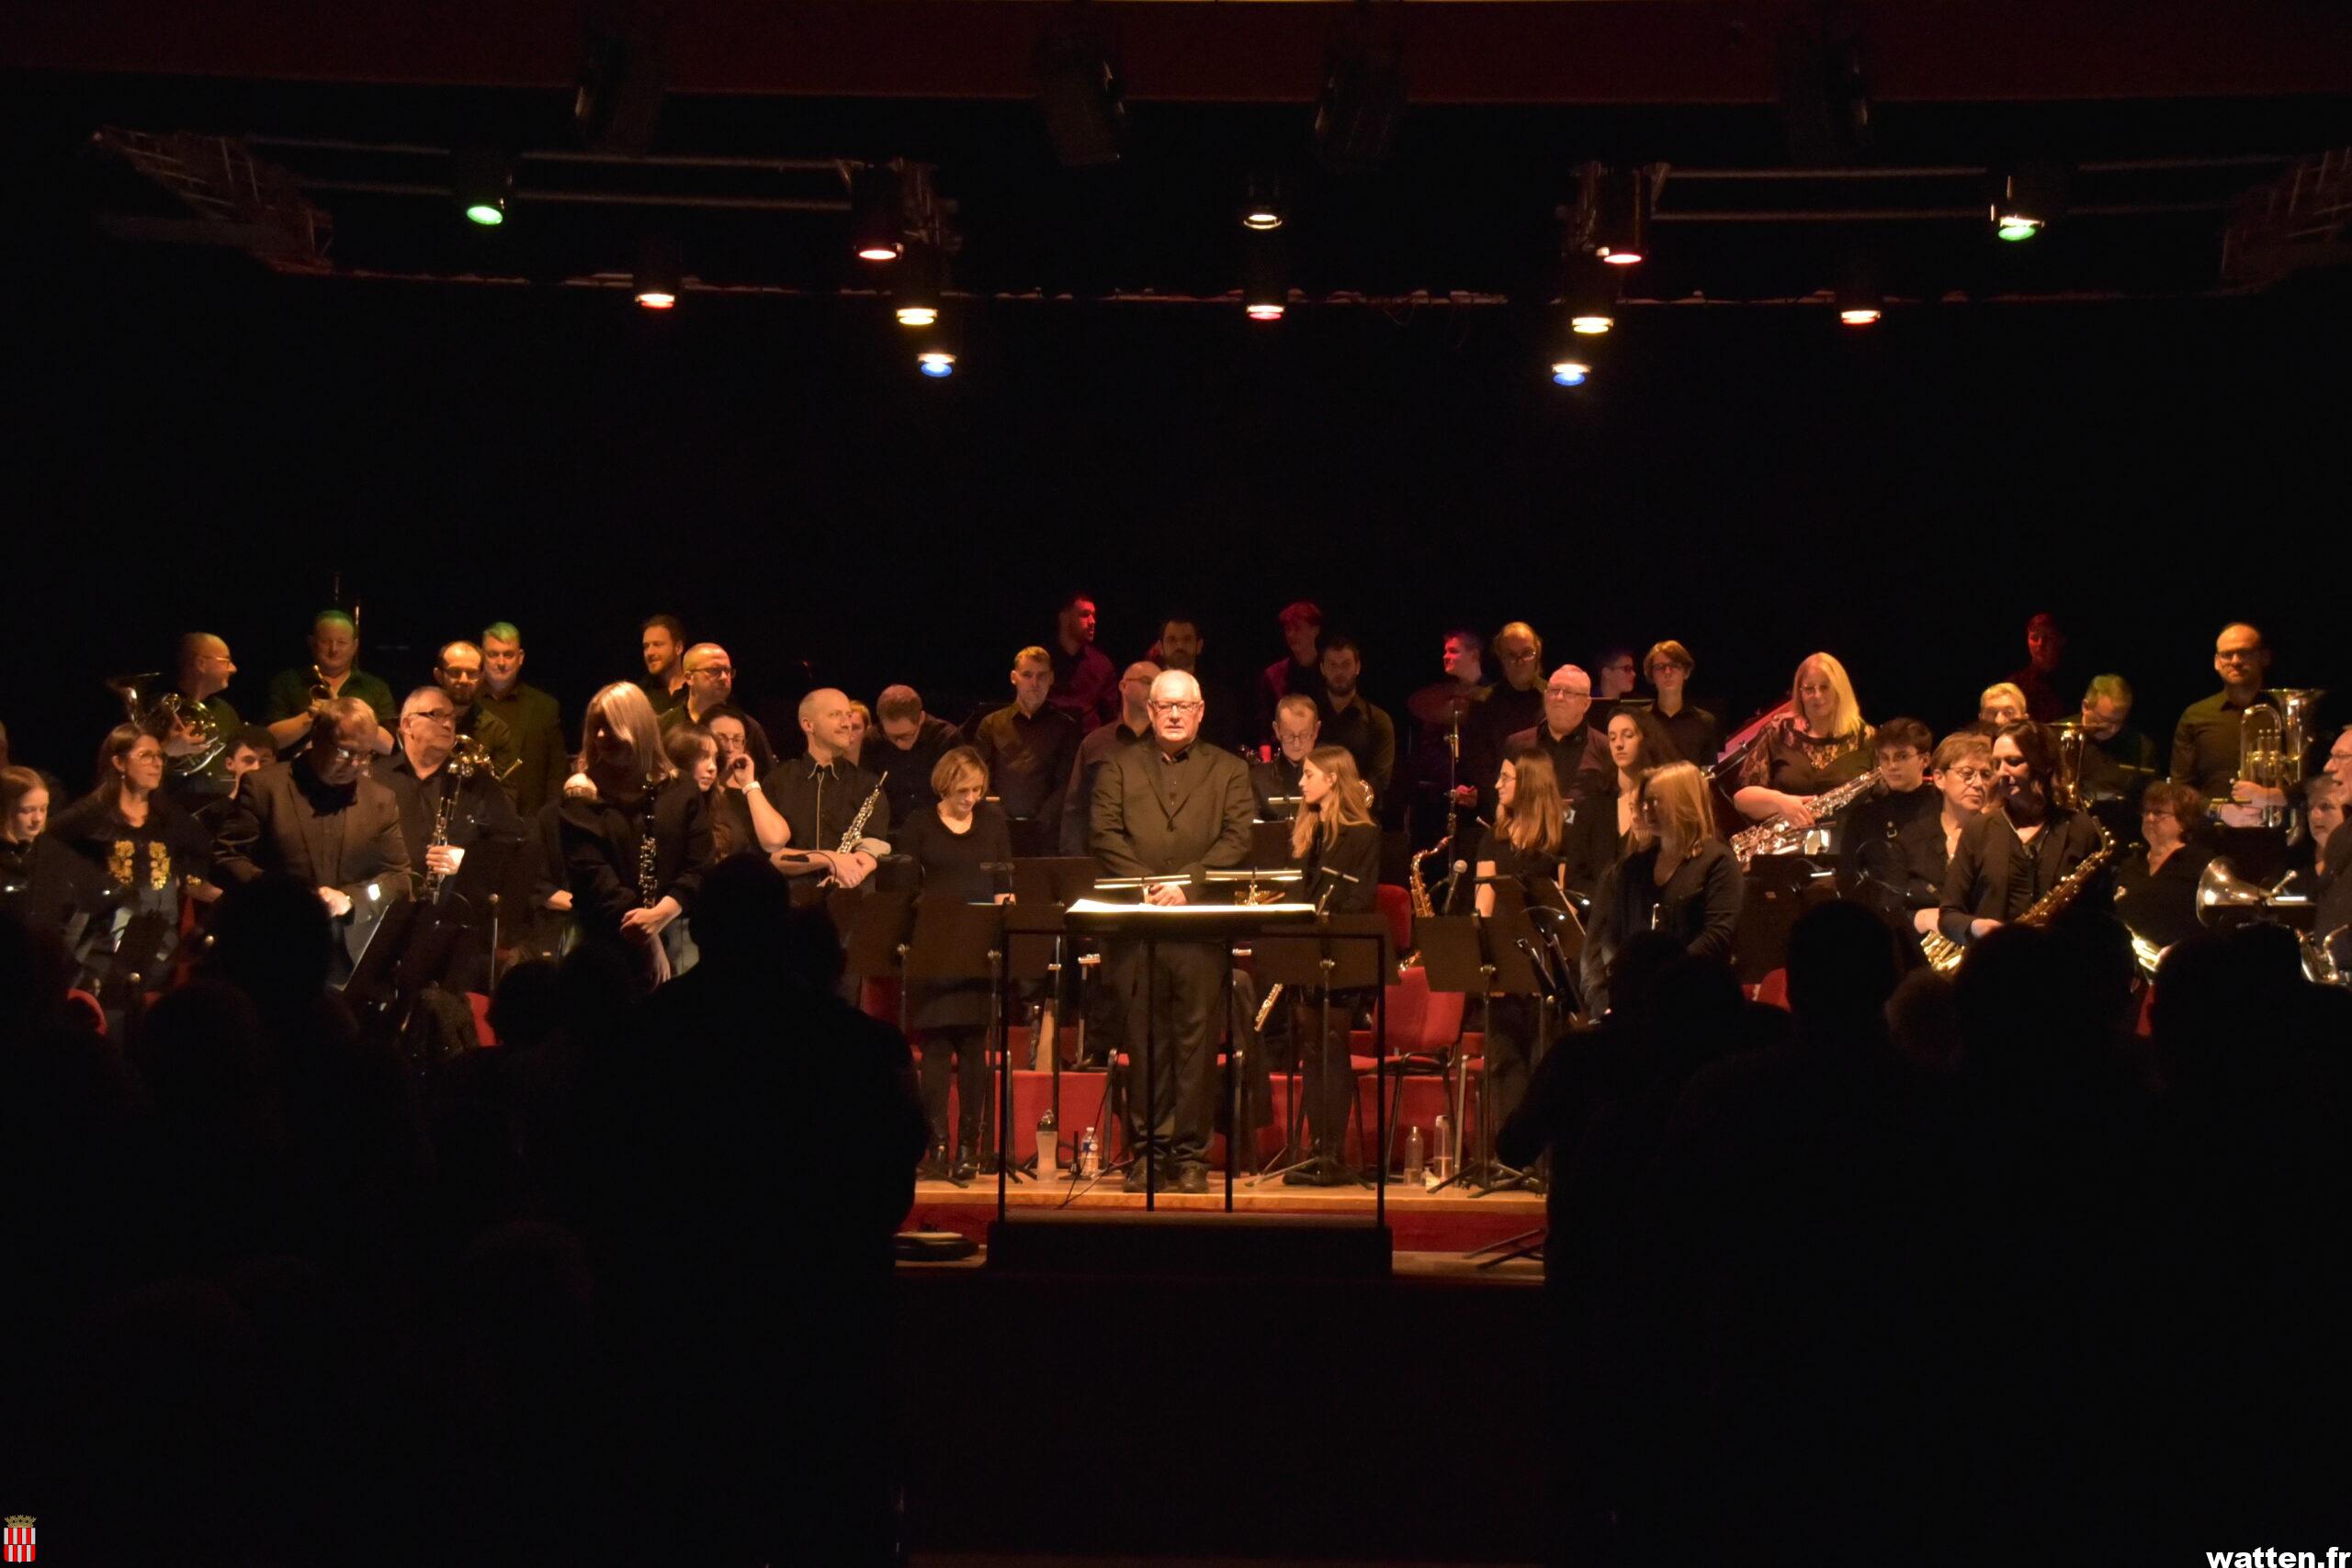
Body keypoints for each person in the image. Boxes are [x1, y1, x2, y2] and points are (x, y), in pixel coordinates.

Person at [1089, 669, 1255, 1193]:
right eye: (1166, 706)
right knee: (1145, 1044)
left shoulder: (1229, 769)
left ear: (1200, 711)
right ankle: (1148, 1154)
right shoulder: (1117, 766)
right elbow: (1104, 833)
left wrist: (1189, 886)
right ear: (1151, 710)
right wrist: (1149, 885)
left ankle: (1190, 1158)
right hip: (1137, 928)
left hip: (1199, 929)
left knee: (1196, 1047)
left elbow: (1238, 838)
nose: (1176, 714)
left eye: (1185, 706)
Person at [213, 696, 413, 964]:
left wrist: (352, 899)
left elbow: (399, 878)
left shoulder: (380, 800)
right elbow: (226, 859)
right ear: (318, 738)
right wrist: (285, 895)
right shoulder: (264, 787)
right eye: (345, 752)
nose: (354, 765)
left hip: (343, 956)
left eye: (364, 755)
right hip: (268, 945)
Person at [896, 746, 1015, 1179]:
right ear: (945, 785)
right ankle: (937, 1144)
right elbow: (905, 886)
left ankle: (970, 1145)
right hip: (935, 942)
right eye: (963, 790)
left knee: (972, 1047)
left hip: (978, 943)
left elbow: (1005, 879)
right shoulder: (920, 824)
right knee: (935, 1046)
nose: (971, 798)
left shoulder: (992, 822)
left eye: (978, 790)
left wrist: (1007, 903)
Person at [556, 682, 710, 984]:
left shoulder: (681, 789)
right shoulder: (582, 793)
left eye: (610, 725)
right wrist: (649, 940)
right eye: (595, 727)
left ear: (636, 726)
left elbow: (700, 866)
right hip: (605, 945)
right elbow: (595, 878)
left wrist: (660, 915)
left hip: (675, 931)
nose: (600, 736)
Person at [1280, 745, 1382, 1187]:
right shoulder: (1309, 832)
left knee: (1332, 1045)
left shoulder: (1363, 835)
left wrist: (1322, 919)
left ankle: (1333, 1154)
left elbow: (1360, 900)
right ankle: (1314, 1149)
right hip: (1308, 954)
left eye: (1308, 774)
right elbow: (1298, 892)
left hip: (1343, 956)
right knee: (1312, 1049)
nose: (1301, 783)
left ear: (1333, 780)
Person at [1583, 761, 1744, 1016]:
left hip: (1694, 999)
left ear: (1682, 801)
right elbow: (1612, 935)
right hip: (1637, 998)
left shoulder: (1718, 862)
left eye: (1655, 801)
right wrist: (1618, 985)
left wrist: (1663, 976)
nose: (1646, 810)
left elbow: (1717, 936)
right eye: (1644, 802)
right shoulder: (1633, 867)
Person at [1939, 719, 2110, 953]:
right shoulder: (1979, 829)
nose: (2001, 773)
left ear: (2044, 764)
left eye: (2013, 762)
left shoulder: (2080, 829)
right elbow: (1948, 915)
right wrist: (1977, 927)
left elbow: (2102, 917)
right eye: (1996, 763)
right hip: (1992, 965)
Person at [1473, 748, 1570, 1152]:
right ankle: (1509, 1158)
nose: (1497, 785)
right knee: (1502, 1062)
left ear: (1529, 784)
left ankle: (1543, 1162)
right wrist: (1486, 965)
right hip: (1502, 970)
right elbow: (1482, 908)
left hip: (1544, 973)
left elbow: (1561, 912)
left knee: (1542, 1065)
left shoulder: (1560, 841)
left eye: (1506, 778)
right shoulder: (1492, 839)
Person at [51, 724, 210, 921]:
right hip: (101, 938)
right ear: (119, 762)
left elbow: (200, 850)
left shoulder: (169, 816)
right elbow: (45, 845)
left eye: (159, 756)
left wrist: (182, 879)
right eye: (146, 756)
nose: (157, 763)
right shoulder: (91, 814)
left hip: (158, 934)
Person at [383, 685, 524, 902]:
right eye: (436, 715)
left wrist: (465, 860)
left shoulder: (477, 781)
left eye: (452, 718)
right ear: (407, 724)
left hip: (455, 911)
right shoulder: (377, 777)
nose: (448, 724)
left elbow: (509, 845)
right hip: (388, 909)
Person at [1854, 730, 1993, 942]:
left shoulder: (1999, 836)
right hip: (1924, 953)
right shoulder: (1909, 836)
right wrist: (1921, 918)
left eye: (1986, 775)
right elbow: (1888, 911)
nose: (1977, 783)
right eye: (1967, 773)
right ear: (1939, 778)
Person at [759, 688, 893, 891]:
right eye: (835, 715)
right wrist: (828, 858)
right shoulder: (778, 782)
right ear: (808, 724)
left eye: (847, 715)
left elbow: (872, 850)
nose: (846, 723)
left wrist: (837, 881)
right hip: (790, 901)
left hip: (850, 897)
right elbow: (773, 856)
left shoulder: (868, 785)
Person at [1734, 651, 1874, 837]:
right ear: (1799, 693)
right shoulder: (1778, 731)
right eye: (1809, 689)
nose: (1817, 695)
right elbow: (1741, 799)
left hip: (1850, 851)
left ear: (1840, 690)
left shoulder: (1866, 737)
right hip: (1788, 851)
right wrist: (1779, 802)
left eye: (1825, 687)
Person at [967, 647, 1080, 857]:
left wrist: (1042, 821)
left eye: (1041, 676)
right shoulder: (991, 724)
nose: (1034, 683)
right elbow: (978, 778)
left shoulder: (1066, 727)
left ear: (1051, 678)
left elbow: (1067, 781)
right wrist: (999, 817)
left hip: (1048, 834)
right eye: (1027, 675)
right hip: (997, 829)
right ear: (1014, 677)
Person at [1566, 706, 1675, 904]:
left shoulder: (1665, 801)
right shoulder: (1592, 805)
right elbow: (1574, 880)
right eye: (1612, 737)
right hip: (1601, 919)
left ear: (1645, 739)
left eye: (1628, 735)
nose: (1619, 745)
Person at [264, 610, 395, 758]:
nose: (334, 649)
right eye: (326, 642)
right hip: (296, 774)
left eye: (342, 642)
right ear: (312, 643)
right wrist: (310, 718)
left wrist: (349, 718)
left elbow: (389, 746)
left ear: (355, 646)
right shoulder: (287, 682)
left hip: (360, 774)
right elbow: (269, 741)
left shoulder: (376, 687)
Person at [1058, 660, 1158, 855]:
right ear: (1123, 686)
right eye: (1147, 681)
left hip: (1154, 858)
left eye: (1159, 684)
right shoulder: (1096, 743)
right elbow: (1076, 808)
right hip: (1101, 857)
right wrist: (1074, 862)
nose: (1154, 690)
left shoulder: (1167, 743)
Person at [0, 765, 107, 938]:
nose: (38, 819)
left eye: (43, 809)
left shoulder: (50, 850)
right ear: (5, 810)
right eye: (28, 810)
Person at [1837, 716, 1940, 893]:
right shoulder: (1864, 816)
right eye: (1884, 758)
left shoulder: (1945, 807)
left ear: (1925, 760)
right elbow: (1848, 879)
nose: (1892, 766)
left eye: (1902, 756)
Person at [476, 621, 570, 817]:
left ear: (520, 658)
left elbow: (556, 774)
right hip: (475, 822)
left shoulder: (546, 707)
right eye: (493, 654)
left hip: (531, 823)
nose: (501, 663)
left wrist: (549, 819)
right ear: (482, 656)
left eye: (508, 654)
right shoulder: (468, 704)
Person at [2114, 781, 2215, 959]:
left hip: (2182, 964)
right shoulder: (2130, 865)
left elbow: (2214, 924)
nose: (2150, 818)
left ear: (2183, 821)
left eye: (2159, 813)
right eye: (2146, 812)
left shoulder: (2200, 863)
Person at [2170, 621, 2273, 795]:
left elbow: (2309, 781)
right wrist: (2218, 812)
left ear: (2264, 657)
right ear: (2217, 663)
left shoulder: (2286, 712)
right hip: (2212, 822)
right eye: (2227, 655)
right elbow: (2180, 788)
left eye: (2244, 653)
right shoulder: (2195, 716)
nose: (2235, 661)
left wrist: (2271, 797)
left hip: (2278, 822)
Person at [157, 632, 243, 804]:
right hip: (169, 814)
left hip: (222, 814)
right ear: (201, 664)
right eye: (226, 661)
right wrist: (166, 751)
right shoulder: (160, 709)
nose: (233, 668)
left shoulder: (226, 712)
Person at [1315, 633, 1396, 810]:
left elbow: (1380, 779)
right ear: (1322, 668)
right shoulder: (1311, 716)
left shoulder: (1378, 720)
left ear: (1357, 667)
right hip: (1315, 812)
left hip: (1361, 814)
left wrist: (1344, 801)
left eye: (1346, 665)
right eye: (1332, 665)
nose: (1339, 672)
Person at [662, 643, 779, 765]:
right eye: (714, 670)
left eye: (728, 671)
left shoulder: (748, 727)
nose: (724, 677)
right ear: (689, 677)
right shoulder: (666, 724)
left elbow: (769, 779)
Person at [1468, 620, 1547, 791]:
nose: (1520, 661)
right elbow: (1480, 767)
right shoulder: (1484, 703)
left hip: (1545, 798)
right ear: (1501, 659)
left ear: (1538, 654)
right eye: (1511, 655)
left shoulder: (1553, 697)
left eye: (1527, 653)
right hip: (1501, 798)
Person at [1506, 664, 1609, 794]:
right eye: (1554, 690)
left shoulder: (1606, 749)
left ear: (1586, 704)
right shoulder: (1517, 745)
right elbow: (1502, 801)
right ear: (1545, 696)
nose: (1559, 697)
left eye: (1569, 692)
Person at [873, 684, 963, 826]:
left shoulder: (946, 737)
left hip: (940, 827)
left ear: (921, 718)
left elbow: (959, 790)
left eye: (905, 735)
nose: (899, 744)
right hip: (890, 829)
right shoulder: (872, 740)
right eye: (891, 736)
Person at [2075, 673, 2161, 817]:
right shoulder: (2057, 736)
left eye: (2118, 722)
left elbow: (2149, 800)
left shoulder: (2142, 747)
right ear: (2085, 706)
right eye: (2104, 720)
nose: (2112, 729)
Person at [1046, 592, 1119, 732]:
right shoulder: (1042, 660)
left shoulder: (1101, 665)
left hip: (1087, 746)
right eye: (1085, 614)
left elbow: (1111, 718)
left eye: (1093, 615)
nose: (1092, 621)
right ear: (1064, 618)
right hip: (1047, 743)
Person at [1644, 639, 1722, 766]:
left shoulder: (1705, 721)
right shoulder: (1639, 720)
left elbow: (1707, 772)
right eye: (1660, 667)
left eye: (1674, 665)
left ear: (1686, 672)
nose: (1667, 672)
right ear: (1651, 675)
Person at [1256, 600, 1327, 739]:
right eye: (1288, 629)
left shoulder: (1330, 671)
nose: (1290, 635)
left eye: (1297, 628)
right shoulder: (1273, 675)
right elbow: (1264, 726)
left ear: (1315, 630)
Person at [1252, 694, 1319, 819]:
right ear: (1277, 730)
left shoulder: (1332, 777)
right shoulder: (1258, 779)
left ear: (1316, 730)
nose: (1297, 744)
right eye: (1289, 735)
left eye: (1304, 735)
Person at [2008, 612, 2077, 724]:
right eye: (2034, 638)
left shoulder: (2076, 681)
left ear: (2061, 640)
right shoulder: (2015, 685)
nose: (2040, 644)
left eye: (2048, 638)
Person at [639, 614, 690, 716]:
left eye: (657, 644)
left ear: (678, 648)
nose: (650, 652)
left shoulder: (696, 690)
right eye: (646, 646)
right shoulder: (639, 695)